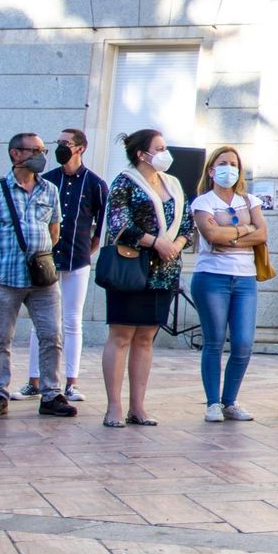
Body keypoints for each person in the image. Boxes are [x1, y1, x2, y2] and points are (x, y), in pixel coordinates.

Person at [0, 132, 75, 418]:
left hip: (42, 279)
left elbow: (54, 233)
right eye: (34, 150)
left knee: (51, 335)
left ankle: (52, 393)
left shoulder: (49, 190)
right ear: (16, 154)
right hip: (4, 279)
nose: (41, 156)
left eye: (43, 150)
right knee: (1, 338)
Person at [101, 129, 191, 428]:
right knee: (122, 336)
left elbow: (187, 225)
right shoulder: (124, 183)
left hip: (164, 272)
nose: (166, 152)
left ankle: (137, 406)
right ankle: (114, 406)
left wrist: (176, 244)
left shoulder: (174, 184)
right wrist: (155, 241)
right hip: (132, 269)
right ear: (142, 153)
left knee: (146, 339)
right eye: (160, 147)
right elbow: (119, 224)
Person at [18, 129, 106, 403]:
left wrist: (89, 250)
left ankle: (71, 382)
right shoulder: (47, 180)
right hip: (46, 260)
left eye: (65, 143)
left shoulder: (95, 184)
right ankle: (34, 380)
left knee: (72, 321)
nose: (60, 148)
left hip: (77, 260)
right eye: (58, 143)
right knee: (40, 322)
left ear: (80, 148)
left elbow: (101, 226)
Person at [190, 146, 265, 423]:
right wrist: (245, 230)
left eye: (234, 164)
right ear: (211, 170)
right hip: (211, 277)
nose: (229, 168)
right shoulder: (203, 202)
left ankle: (230, 400)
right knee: (214, 341)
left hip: (244, 278)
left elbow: (262, 234)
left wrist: (231, 235)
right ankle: (212, 402)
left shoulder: (250, 201)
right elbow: (211, 236)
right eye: (223, 163)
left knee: (244, 343)